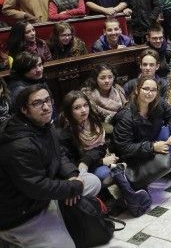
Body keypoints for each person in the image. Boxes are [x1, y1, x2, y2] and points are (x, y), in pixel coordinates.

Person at [0, 85, 101, 248]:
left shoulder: (44, 125)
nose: (46, 107)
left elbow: (58, 153)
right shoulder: (19, 145)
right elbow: (36, 187)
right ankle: (13, 240)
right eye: (37, 103)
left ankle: (62, 218)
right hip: (23, 211)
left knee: (92, 181)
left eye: (48, 100)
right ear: (24, 110)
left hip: (43, 196)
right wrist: (72, 187)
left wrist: (72, 176)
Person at [112, 76, 171, 183]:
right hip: (134, 153)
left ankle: (166, 164)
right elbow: (124, 147)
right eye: (146, 89)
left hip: (151, 140)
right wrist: (152, 147)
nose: (150, 93)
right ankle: (154, 167)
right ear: (137, 90)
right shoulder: (126, 115)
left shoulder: (158, 103)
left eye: (153, 90)